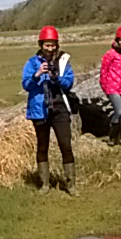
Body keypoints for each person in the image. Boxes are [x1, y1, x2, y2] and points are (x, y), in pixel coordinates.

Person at [22, 26, 78, 195]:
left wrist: (57, 78)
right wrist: (37, 74)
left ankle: (71, 185)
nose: (50, 48)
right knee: (42, 146)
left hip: (60, 109)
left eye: (53, 45)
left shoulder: (63, 61)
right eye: (47, 45)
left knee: (65, 145)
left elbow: (69, 83)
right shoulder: (32, 63)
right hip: (39, 110)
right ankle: (44, 185)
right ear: (41, 45)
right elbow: (26, 85)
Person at [99, 26, 121, 148]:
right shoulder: (110, 54)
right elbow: (103, 71)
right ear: (117, 40)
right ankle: (112, 137)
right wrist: (105, 87)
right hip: (112, 87)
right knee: (118, 111)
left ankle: (120, 138)